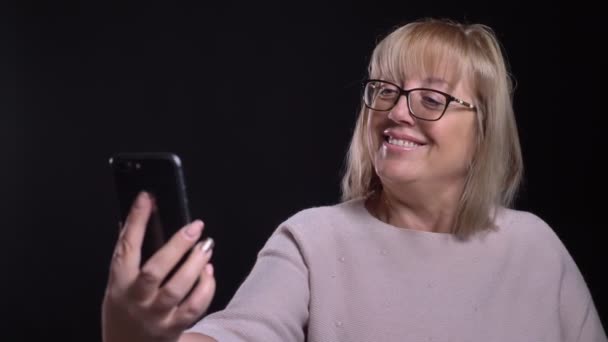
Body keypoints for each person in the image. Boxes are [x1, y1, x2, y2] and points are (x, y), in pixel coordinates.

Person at [102, 18, 607, 342]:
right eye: (384, 90)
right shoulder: (314, 239)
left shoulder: (537, 248)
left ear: (484, 131)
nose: (396, 113)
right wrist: (132, 336)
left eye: (431, 99)